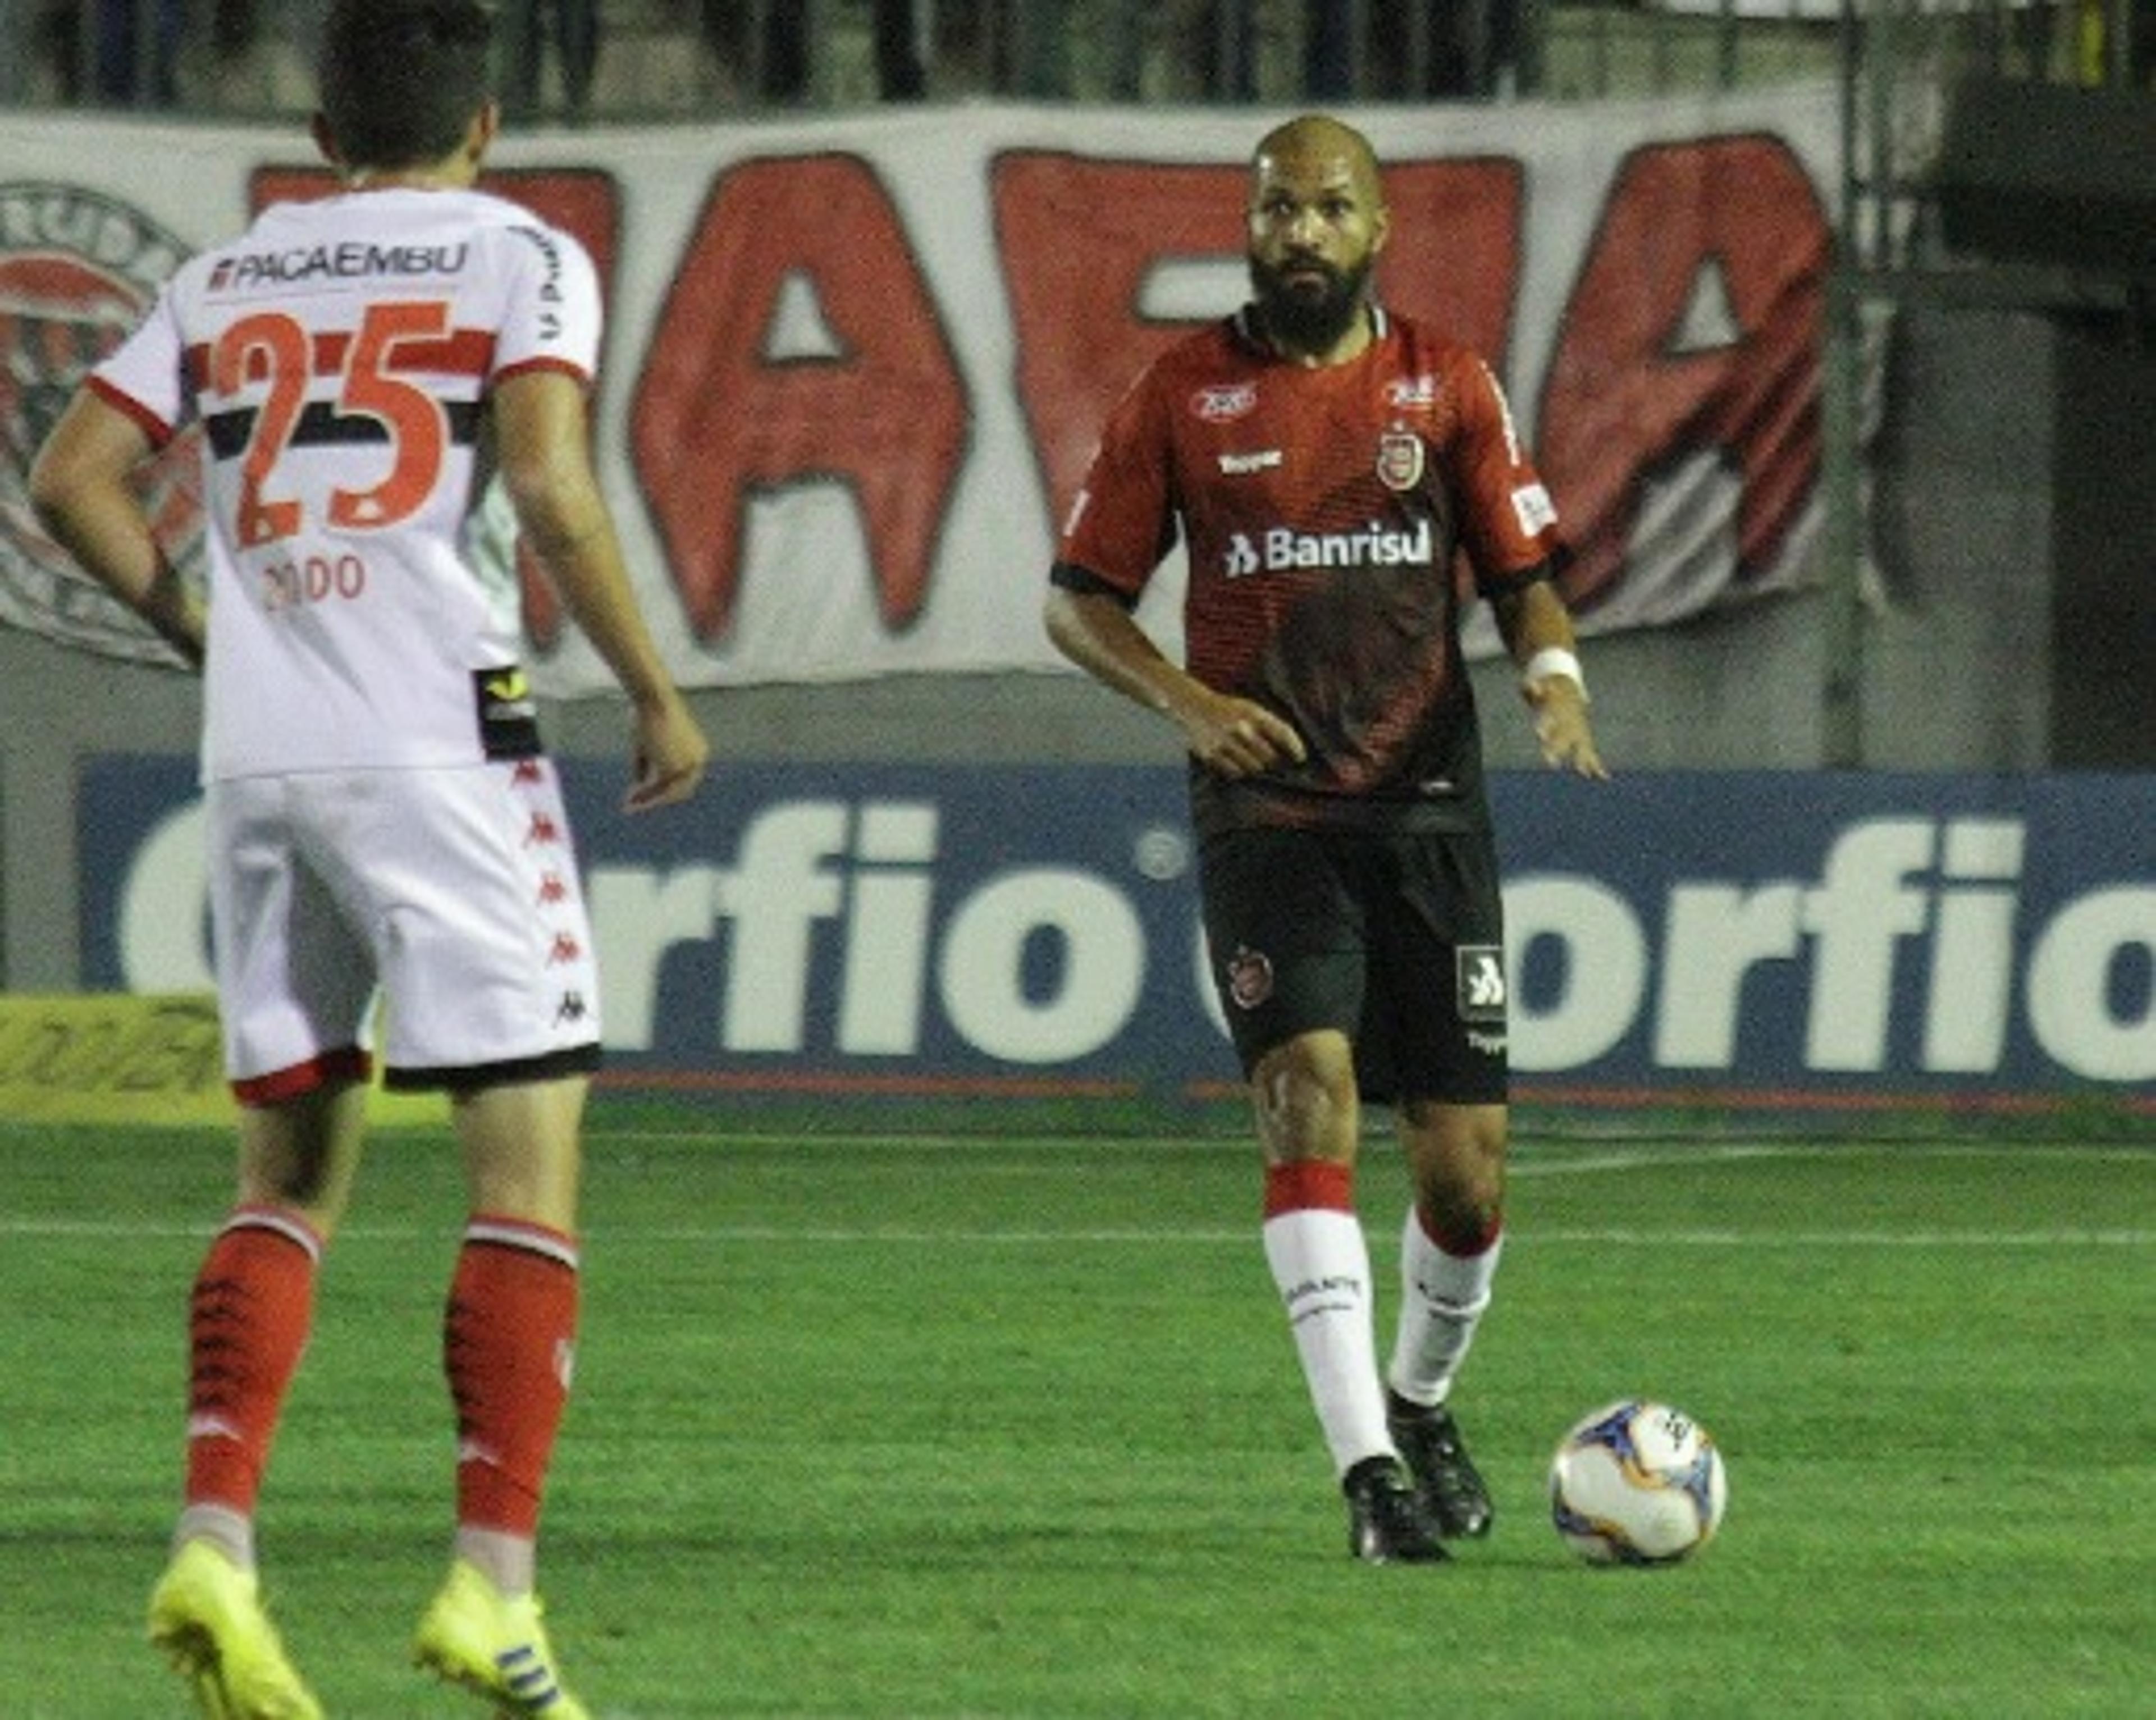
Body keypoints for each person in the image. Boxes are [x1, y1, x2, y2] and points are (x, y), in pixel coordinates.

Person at [28, 1, 709, 1713]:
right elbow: (549, 488)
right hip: (444, 748)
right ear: (486, 119)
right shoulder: (520, 253)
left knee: (283, 1182)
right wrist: (652, 688)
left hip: (261, 759)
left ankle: (215, 1543)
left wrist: (202, 625)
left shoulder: (232, 276)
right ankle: (492, 1586)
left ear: (322, 133)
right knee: (525, 1174)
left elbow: (72, 477)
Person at [1043, 113, 1605, 1564]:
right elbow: (1077, 599)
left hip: (1425, 803)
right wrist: (1184, 701)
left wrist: (1553, 680)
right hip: (1268, 811)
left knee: (1465, 1176)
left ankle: (1419, 1403)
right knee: (1306, 1097)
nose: (1299, 232)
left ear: (1379, 230)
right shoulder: (1185, 394)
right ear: (1250, 224)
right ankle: (1367, 1478)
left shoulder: (1447, 387)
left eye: (1329, 209)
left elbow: (1525, 573)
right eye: (1277, 209)